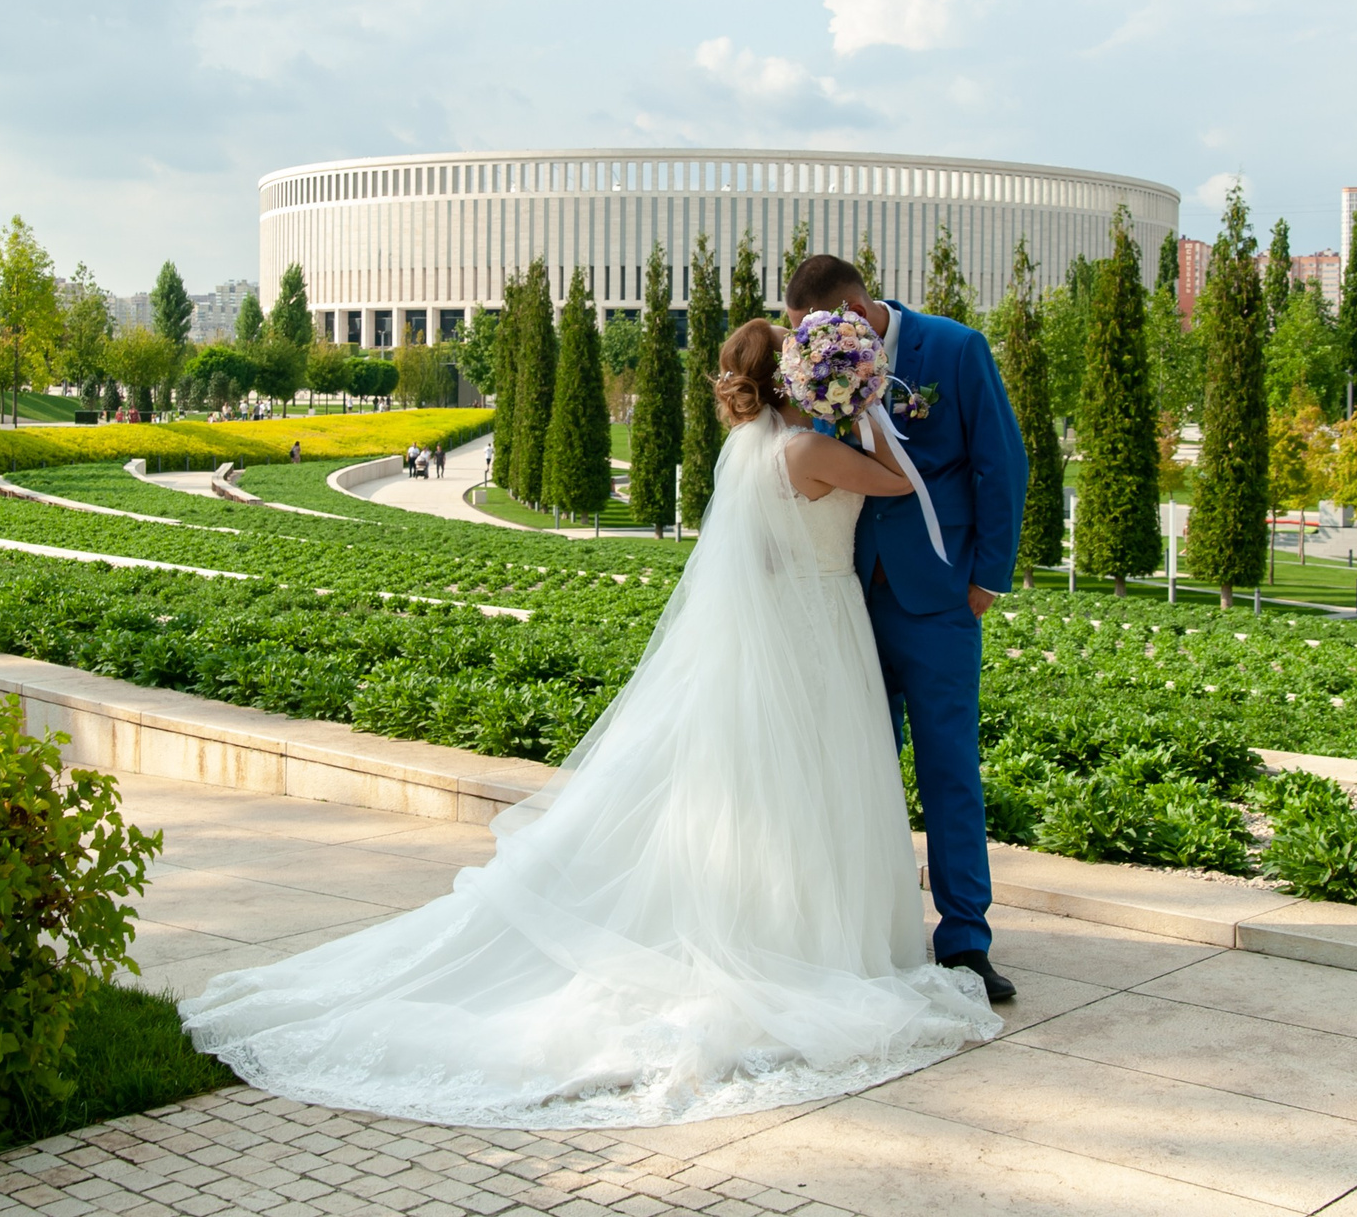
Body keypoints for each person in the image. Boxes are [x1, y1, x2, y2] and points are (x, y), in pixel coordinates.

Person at [182, 319, 1001, 1127]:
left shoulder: (744, 451)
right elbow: (900, 480)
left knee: (778, 788)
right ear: (787, 378)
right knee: (818, 785)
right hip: (823, 631)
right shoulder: (814, 450)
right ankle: (817, 939)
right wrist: (863, 406)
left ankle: (791, 921)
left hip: (788, 630)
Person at [782, 253, 1026, 1006]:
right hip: (852, 595)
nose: (810, 341)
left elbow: (1002, 463)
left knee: (950, 769)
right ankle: (878, 931)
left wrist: (986, 578)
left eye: (818, 326)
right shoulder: (815, 366)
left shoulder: (954, 349)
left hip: (944, 596)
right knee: (865, 767)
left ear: (855, 308)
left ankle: (964, 939)